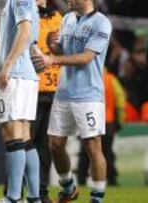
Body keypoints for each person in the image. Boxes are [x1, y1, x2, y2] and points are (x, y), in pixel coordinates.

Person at [32, 0, 113, 202]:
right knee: (55, 144)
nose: (67, 0)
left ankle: (97, 198)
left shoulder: (101, 22)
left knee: (92, 146)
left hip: (88, 96)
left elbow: (86, 57)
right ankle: (68, 187)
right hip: (63, 93)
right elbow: (65, 51)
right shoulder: (67, 18)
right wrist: (54, 47)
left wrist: (53, 60)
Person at [0, 0, 41, 202]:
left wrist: (8, 65)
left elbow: (24, 32)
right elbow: (10, 40)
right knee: (24, 137)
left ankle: (13, 197)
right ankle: (34, 197)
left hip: (17, 76)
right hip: (26, 76)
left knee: (12, 133)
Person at [31, 0, 62, 202]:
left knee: (45, 147)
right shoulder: (25, 15)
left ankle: (42, 194)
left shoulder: (58, 17)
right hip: (31, 90)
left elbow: (62, 50)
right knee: (23, 144)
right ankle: (14, 192)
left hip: (53, 91)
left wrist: (53, 49)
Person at [77, 69, 126, 186]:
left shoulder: (84, 78)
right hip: (108, 121)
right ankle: (112, 180)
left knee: (85, 152)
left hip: (88, 120)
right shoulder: (111, 79)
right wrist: (119, 120)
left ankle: (81, 180)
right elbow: (120, 100)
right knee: (107, 153)